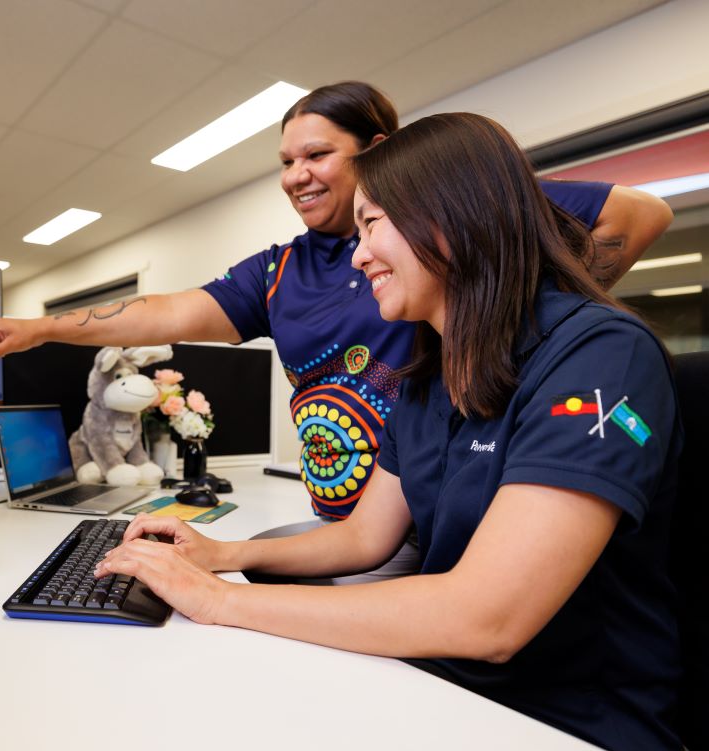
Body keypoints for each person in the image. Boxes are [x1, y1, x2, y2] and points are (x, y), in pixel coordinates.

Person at [93, 112, 682, 751]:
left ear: (454, 217)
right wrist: (222, 556)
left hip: (564, 721)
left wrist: (216, 600)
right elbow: (363, 537)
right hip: (451, 689)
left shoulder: (599, 356)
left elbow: (489, 617)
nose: (359, 251)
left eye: (373, 224)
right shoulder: (432, 375)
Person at [0, 82, 671, 523]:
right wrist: (40, 329)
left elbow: (639, 215)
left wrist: (523, 311)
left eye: (316, 155)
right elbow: (162, 313)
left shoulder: (462, 220)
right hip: (348, 519)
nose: (295, 176)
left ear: (377, 150)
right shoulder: (280, 269)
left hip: (443, 515)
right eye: (285, 162)